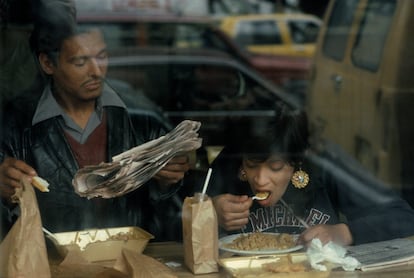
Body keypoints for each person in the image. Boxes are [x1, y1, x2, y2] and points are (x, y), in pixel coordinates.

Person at [0, 0, 190, 241]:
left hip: (131, 261)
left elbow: (173, 220)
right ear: (48, 63)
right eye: (80, 62)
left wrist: (166, 184)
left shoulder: (142, 122)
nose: (96, 71)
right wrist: (4, 192)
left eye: (102, 57)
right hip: (52, 266)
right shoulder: (16, 127)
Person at [207, 103, 414, 246]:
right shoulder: (227, 164)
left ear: (297, 160)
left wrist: (345, 232)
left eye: (276, 167)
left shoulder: (323, 163)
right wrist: (209, 214)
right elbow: (176, 225)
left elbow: (402, 217)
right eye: (252, 165)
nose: (260, 180)